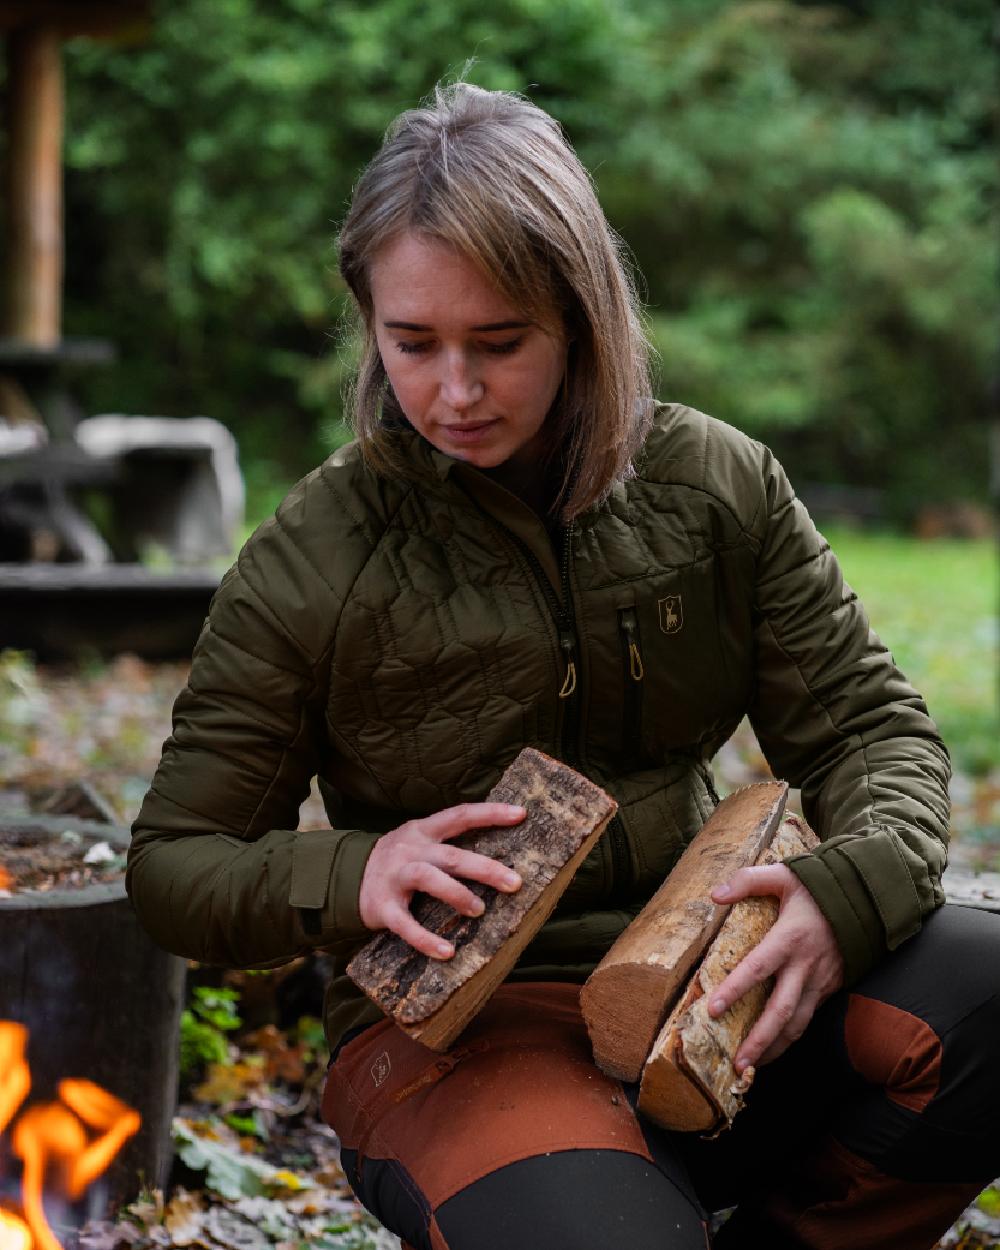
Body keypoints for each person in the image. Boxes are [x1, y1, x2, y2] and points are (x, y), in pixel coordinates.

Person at [127, 83, 999, 1250]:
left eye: (500, 343)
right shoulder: (312, 558)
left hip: (715, 985)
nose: (453, 391)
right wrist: (355, 870)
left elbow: (870, 732)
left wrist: (844, 897)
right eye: (411, 342)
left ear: (583, 317)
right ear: (367, 317)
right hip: (463, 1043)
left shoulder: (715, 485)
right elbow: (175, 864)